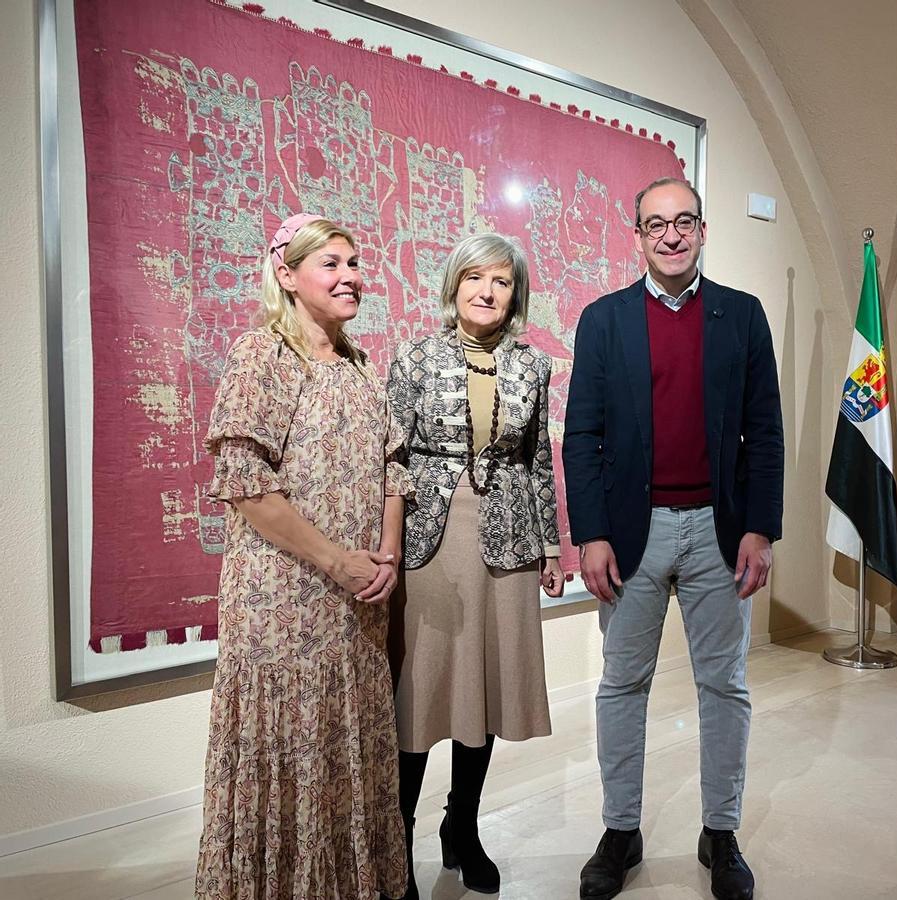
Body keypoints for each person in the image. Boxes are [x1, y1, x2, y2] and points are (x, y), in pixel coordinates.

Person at [564, 177, 784, 900]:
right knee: (622, 683)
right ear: (636, 235)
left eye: (683, 221)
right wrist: (592, 534)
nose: (670, 234)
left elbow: (765, 435)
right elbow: (582, 437)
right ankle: (620, 830)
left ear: (702, 230)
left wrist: (759, 527)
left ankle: (721, 833)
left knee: (725, 685)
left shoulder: (743, 317)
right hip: (633, 536)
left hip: (720, 535)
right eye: (655, 223)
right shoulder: (603, 320)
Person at [195, 214, 408, 899]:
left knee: (345, 745)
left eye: (355, 262)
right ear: (287, 275)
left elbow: (393, 469)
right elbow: (245, 482)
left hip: (358, 606)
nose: (351, 276)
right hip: (283, 602)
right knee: (290, 750)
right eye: (332, 265)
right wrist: (335, 561)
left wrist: (388, 555)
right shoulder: (262, 355)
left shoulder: (361, 365)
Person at [386, 232, 565, 898]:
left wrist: (552, 544)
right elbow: (391, 458)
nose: (488, 292)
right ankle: (394, 838)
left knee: (484, 691)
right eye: (475, 279)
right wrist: (386, 545)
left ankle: (462, 829)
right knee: (421, 690)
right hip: (431, 539)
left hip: (510, 539)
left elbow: (541, 460)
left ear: (515, 294)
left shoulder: (533, 366)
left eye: (502, 281)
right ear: (454, 286)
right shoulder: (414, 356)